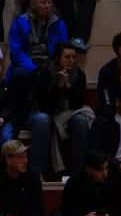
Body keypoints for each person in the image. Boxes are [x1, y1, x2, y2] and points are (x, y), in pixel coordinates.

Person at [30, 38, 94, 180]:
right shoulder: (45, 72)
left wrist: (68, 86)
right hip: (45, 112)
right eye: (67, 57)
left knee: (81, 121)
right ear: (58, 58)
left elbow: (77, 104)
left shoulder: (79, 75)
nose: (71, 60)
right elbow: (44, 106)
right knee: (42, 120)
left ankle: (78, 175)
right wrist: (58, 87)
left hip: (68, 114)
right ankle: (36, 175)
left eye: (74, 57)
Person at [6, 0, 67, 100]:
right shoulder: (20, 22)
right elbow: (16, 52)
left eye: (49, 2)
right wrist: (34, 68)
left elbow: (63, 48)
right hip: (27, 63)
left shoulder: (58, 22)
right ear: (33, 5)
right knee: (22, 74)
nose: (47, 6)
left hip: (50, 62)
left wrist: (55, 64)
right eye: (43, 2)